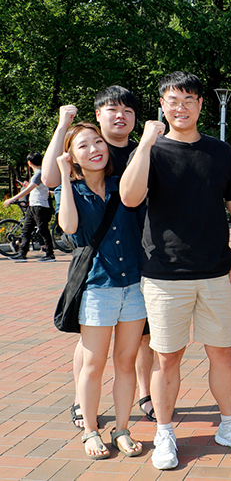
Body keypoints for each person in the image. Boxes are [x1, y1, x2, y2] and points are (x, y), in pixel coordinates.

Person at [119, 71, 231, 470]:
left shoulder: (220, 152)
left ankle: (229, 425)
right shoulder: (151, 151)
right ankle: (164, 432)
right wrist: (145, 141)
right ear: (162, 105)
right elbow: (130, 197)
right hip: (164, 275)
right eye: (173, 100)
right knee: (167, 359)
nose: (181, 107)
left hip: (215, 271)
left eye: (189, 100)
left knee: (223, 355)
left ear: (200, 105)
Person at [41, 88, 156, 427]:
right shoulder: (83, 154)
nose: (120, 115)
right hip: (98, 271)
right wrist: (64, 126)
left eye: (127, 110)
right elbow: (51, 183)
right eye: (111, 109)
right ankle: (83, 402)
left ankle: (144, 394)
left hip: (136, 265)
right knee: (92, 345)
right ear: (98, 115)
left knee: (139, 342)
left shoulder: (139, 152)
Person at [55, 122, 147, 460]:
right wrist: (65, 177)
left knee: (126, 362)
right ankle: (91, 430)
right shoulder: (70, 190)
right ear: (73, 156)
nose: (95, 149)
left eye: (98, 142)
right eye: (83, 146)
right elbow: (69, 228)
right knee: (93, 364)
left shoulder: (122, 186)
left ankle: (122, 428)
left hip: (134, 286)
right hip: (98, 287)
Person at [4, 152, 55, 262]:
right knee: (26, 230)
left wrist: (11, 199)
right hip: (33, 206)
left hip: (39, 206)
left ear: (29, 163)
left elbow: (28, 190)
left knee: (43, 230)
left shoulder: (39, 173)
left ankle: (50, 254)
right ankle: (22, 254)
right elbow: (40, 189)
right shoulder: (39, 173)